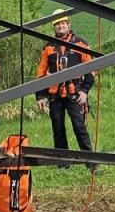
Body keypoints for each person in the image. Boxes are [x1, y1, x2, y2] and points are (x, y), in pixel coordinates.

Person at [35, 11, 94, 153]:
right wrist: (40, 96)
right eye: (57, 24)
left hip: (75, 92)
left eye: (63, 23)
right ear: (54, 27)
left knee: (79, 127)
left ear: (68, 24)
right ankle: (63, 162)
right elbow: (41, 73)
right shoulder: (48, 47)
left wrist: (85, 91)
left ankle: (90, 161)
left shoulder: (80, 43)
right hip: (55, 94)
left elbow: (91, 70)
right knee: (58, 128)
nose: (60, 26)